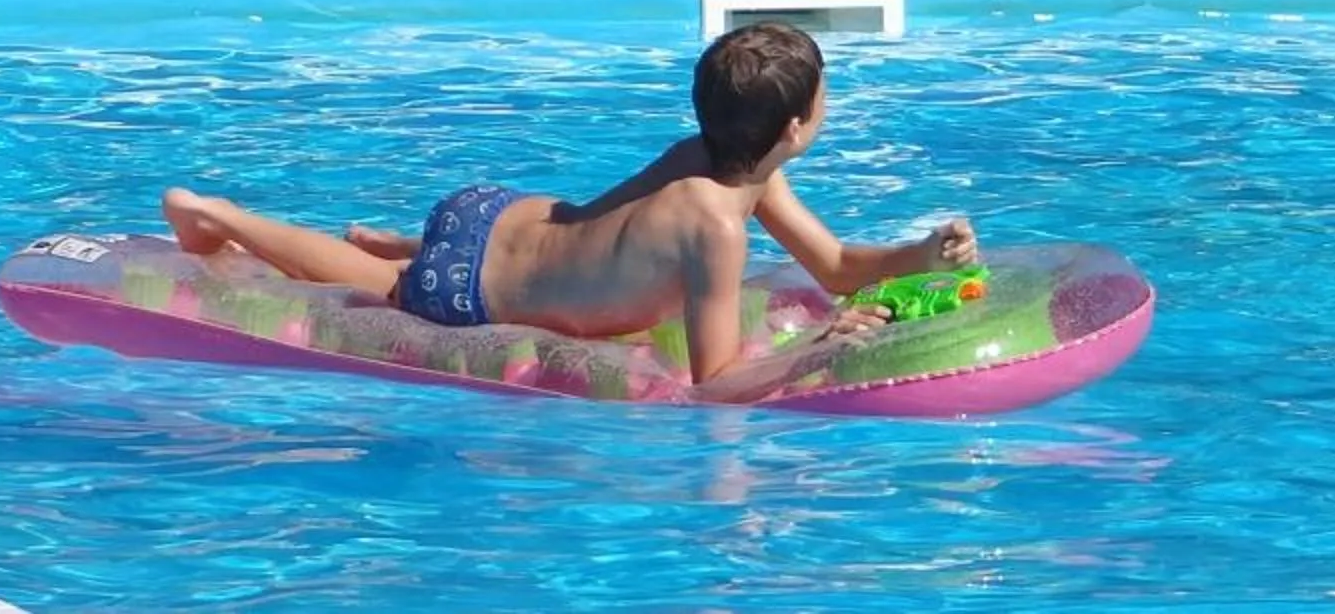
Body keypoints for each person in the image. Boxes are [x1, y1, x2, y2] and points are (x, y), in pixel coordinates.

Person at [157, 22, 977, 401]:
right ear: (795, 128)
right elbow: (715, 381)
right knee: (385, 284)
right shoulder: (718, 227)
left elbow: (833, 266)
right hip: (468, 285)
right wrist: (816, 348)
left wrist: (920, 254)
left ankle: (396, 239)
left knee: (437, 254)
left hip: (499, 214)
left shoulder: (709, 161)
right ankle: (222, 215)